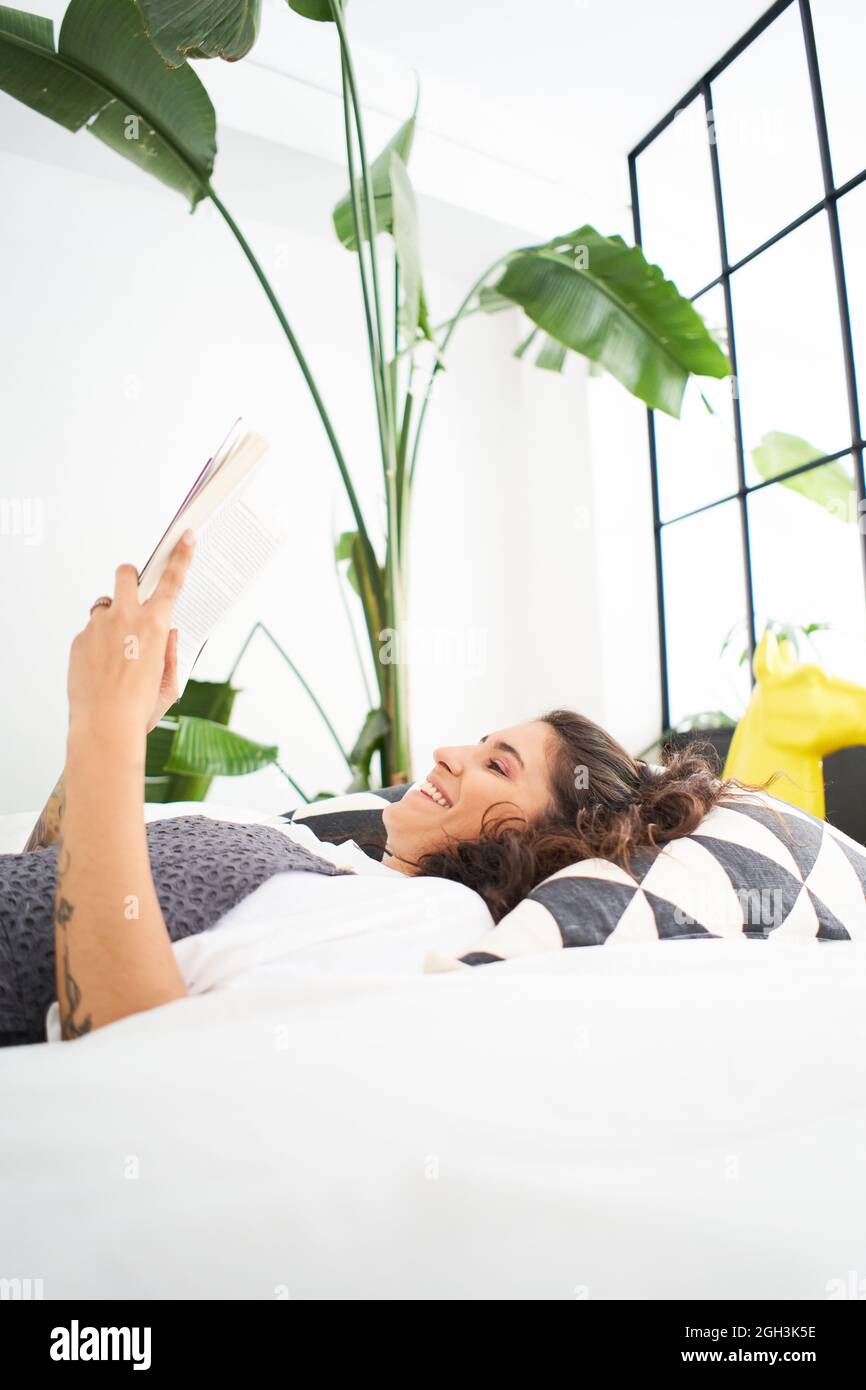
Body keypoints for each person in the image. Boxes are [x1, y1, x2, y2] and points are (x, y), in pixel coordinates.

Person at [2, 533, 738, 1047]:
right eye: (479, 743)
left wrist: (105, 726)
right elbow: (55, 872)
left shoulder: (433, 918)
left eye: (498, 764)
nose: (450, 754)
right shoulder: (318, 853)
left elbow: (131, 1045)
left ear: (537, 838)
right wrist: (118, 728)